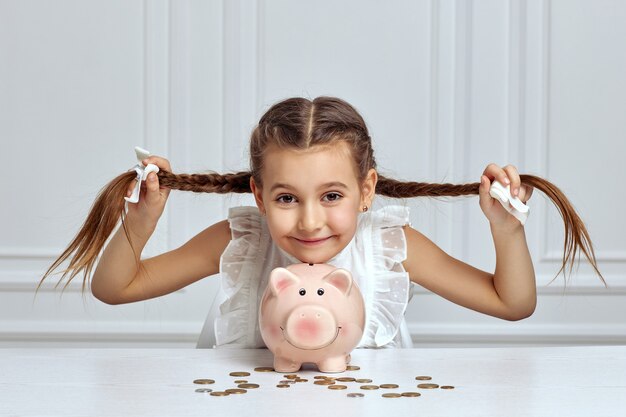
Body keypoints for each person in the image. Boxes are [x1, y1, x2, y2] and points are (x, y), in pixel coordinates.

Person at [41, 96, 605, 348]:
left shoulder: (389, 245)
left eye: (331, 194)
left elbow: (514, 304)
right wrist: (138, 225)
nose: (310, 221)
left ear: (366, 191)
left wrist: (506, 231)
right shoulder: (240, 242)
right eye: (287, 197)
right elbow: (115, 289)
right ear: (258, 195)